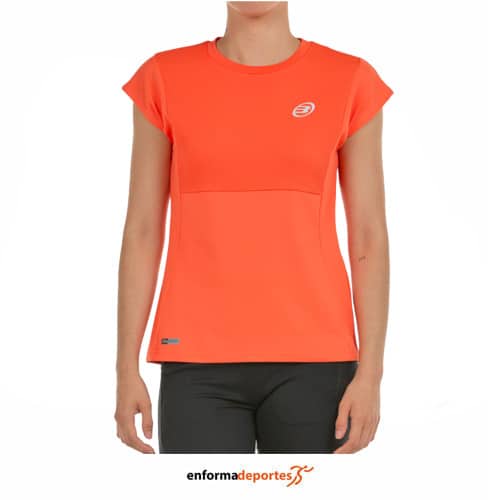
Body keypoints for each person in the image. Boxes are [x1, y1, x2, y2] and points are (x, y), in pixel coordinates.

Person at [115, 1, 393, 454]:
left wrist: (371, 375)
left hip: (317, 359)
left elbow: (368, 234)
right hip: (196, 361)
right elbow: (143, 229)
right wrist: (126, 369)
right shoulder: (164, 77)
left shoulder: (349, 79)